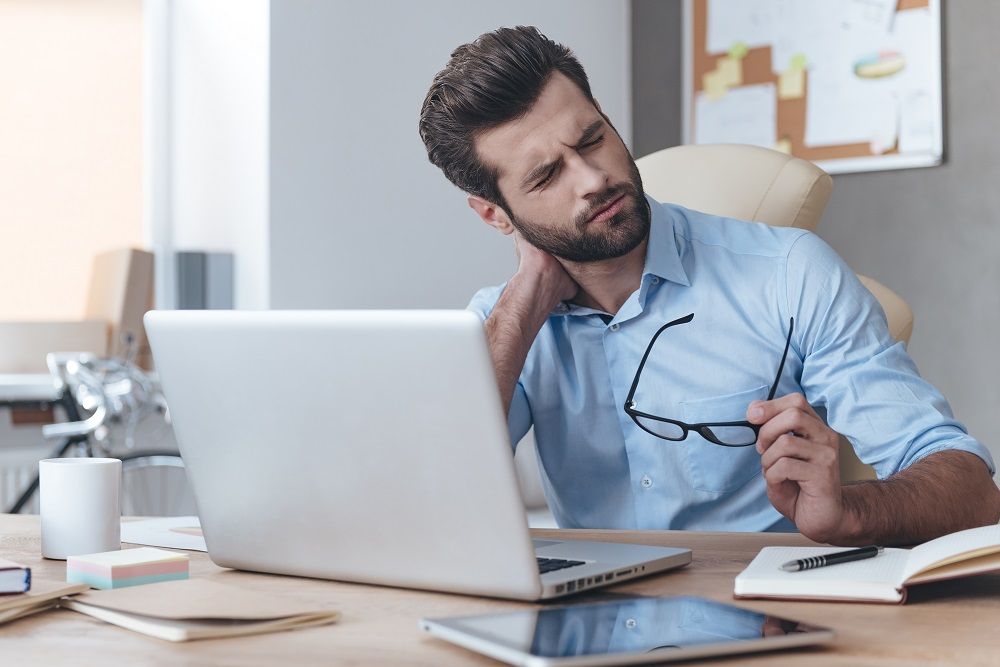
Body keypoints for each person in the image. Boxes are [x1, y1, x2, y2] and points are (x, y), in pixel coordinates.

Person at [418, 26, 1000, 545]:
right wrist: (523, 303)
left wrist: (848, 512)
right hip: (590, 628)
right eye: (546, 175)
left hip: (766, 623)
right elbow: (432, 502)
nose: (594, 179)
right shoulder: (503, 325)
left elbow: (972, 491)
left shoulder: (790, 273)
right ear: (496, 215)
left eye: (593, 139)